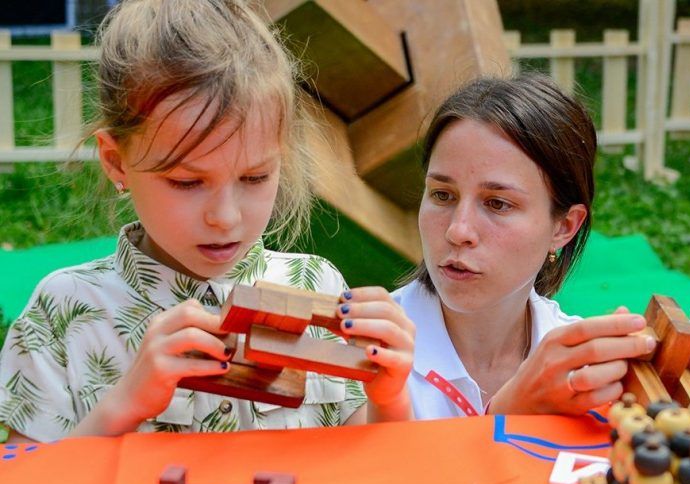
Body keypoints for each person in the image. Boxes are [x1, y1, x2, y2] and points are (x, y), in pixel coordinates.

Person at [0, 0, 414, 442]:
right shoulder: (63, 312)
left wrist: (389, 400)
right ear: (116, 161)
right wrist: (124, 407)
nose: (225, 217)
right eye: (185, 182)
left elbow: (370, 472)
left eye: (255, 177)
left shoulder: (317, 285)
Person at [392, 74, 690, 420]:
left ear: (564, 227)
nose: (458, 231)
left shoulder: (591, 376)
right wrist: (507, 413)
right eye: (442, 195)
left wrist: (683, 430)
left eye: (497, 203)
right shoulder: (356, 358)